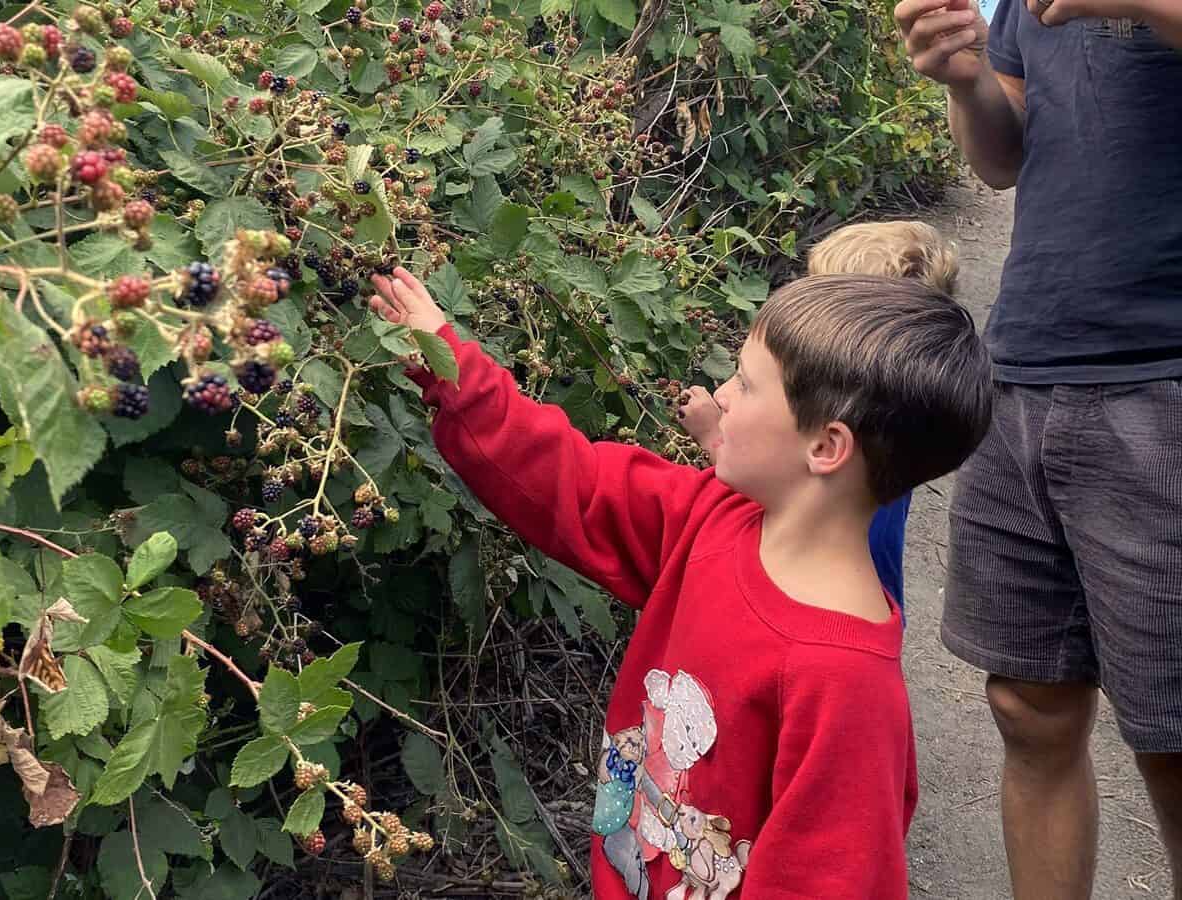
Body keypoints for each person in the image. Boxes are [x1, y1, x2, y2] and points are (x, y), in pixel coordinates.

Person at [370, 267, 993, 898]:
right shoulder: (711, 519)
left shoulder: (846, 686)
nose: (721, 394)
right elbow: (572, 482)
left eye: (746, 384)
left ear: (826, 447)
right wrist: (449, 366)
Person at [895, 0, 1182, 895]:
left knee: (1174, 739)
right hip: (1026, 367)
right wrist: (969, 78)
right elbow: (1004, 159)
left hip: (1165, 380)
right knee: (1029, 706)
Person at [674, 220, 960, 615]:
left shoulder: (834, 438)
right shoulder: (897, 412)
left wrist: (711, 437)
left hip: (817, 608)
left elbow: (768, 489)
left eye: (818, 302)